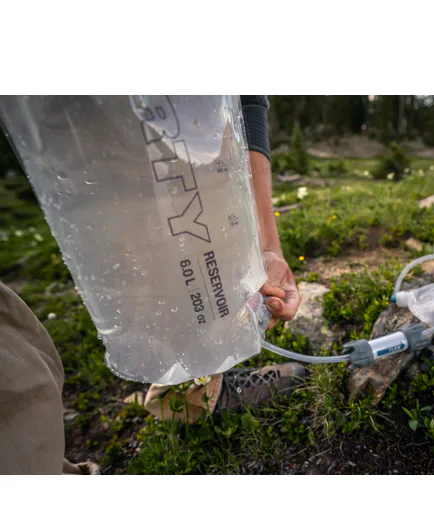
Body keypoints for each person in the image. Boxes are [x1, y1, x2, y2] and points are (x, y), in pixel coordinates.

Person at [0, 96, 303, 475]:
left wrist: (268, 247)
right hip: (82, 145)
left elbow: (246, 100)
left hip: (188, 143)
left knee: (202, 268)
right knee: (17, 392)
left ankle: (197, 393)